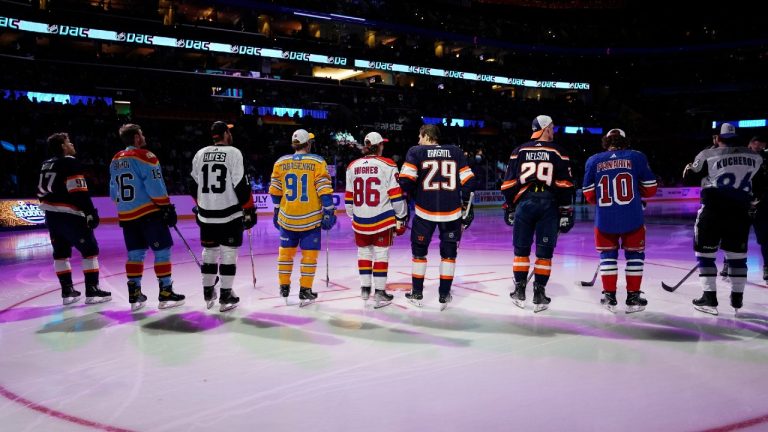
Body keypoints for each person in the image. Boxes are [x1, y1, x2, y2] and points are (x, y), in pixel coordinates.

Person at [682, 123, 763, 314]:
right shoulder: (755, 157)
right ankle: (737, 299)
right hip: (740, 212)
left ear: (717, 138)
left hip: (713, 210)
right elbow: (759, 183)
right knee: (737, 257)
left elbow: (689, 177)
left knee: (705, 254)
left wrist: (711, 150)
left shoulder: (708, 154)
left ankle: (709, 299)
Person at [500, 115, 574, 313]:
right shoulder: (558, 151)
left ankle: (519, 291)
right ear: (545, 128)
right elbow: (565, 185)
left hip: (525, 204)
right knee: (544, 253)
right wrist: (566, 210)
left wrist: (509, 205)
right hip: (548, 205)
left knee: (520, 251)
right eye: (551, 127)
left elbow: (507, 184)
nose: (553, 131)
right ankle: (539, 294)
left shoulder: (519, 150)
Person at [399, 124, 476, 310]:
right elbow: (469, 181)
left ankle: (417, 293)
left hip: (425, 211)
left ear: (426, 135)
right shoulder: (456, 151)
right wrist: (465, 204)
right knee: (449, 255)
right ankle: (444, 294)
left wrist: (413, 194)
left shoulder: (416, 151)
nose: (418, 140)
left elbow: (405, 181)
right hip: (451, 213)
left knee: (419, 253)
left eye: (419, 135)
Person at [109, 124, 185, 312]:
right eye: (141, 133)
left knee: (135, 254)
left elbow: (112, 192)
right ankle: (166, 291)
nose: (143, 136)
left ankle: (134, 294)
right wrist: (166, 206)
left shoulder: (115, 159)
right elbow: (155, 185)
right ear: (136, 137)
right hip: (148, 213)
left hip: (126, 215)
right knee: (162, 250)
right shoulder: (146, 156)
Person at [582, 128, 657, 313]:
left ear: (606, 142)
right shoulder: (637, 157)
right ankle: (633, 298)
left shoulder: (593, 160)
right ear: (626, 141)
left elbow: (589, 195)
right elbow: (651, 188)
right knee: (635, 257)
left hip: (605, 219)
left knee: (607, 257)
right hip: (633, 217)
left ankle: (609, 296)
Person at [190, 121, 256, 312]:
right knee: (228, 252)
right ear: (226, 134)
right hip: (229, 213)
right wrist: (249, 210)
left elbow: (192, 185)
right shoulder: (234, 153)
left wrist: (201, 205)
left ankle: (208, 291)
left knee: (209, 252)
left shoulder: (200, 153)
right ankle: (226, 294)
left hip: (206, 215)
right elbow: (241, 186)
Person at [38, 132, 110, 305]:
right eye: (69, 141)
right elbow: (78, 191)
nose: (72, 144)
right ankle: (92, 291)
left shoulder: (45, 164)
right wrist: (90, 212)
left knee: (61, 254)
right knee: (90, 251)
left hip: (51, 216)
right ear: (63, 146)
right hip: (71, 215)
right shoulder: (70, 162)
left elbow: (41, 190)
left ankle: (67, 292)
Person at [269, 129, 336, 306]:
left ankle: (284, 286)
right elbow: (324, 190)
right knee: (309, 256)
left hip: (287, 218)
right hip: (310, 219)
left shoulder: (280, 162)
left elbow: (275, 191)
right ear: (308, 144)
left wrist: (277, 211)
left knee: (285, 254)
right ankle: (305, 290)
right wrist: (329, 211)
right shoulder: (317, 161)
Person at [344, 132, 408, 308]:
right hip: (382, 218)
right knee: (381, 254)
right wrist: (401, 216)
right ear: (379, 146)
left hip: (360, 219)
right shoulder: (388, 164)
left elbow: (349, 197)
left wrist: (353, 215)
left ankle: (365, 289)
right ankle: (379, 292)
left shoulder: (352, 166)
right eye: (382, 144)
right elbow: (395, 195)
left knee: (363, 253)